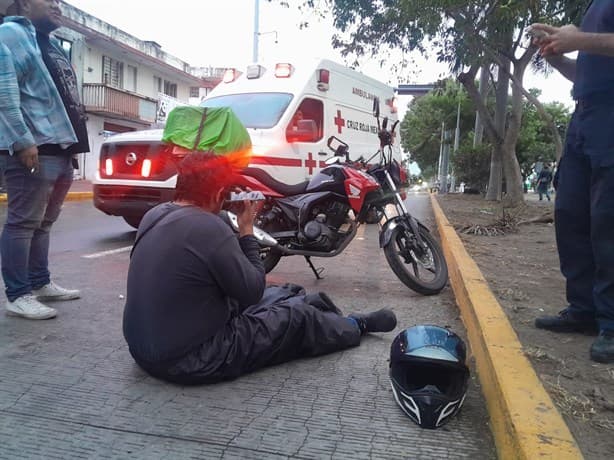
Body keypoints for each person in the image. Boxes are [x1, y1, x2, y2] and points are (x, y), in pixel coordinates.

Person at [122, 153, 397, 384]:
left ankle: (324, 316)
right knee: (295, 317)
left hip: (143, 349)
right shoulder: (209, 227)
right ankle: (354, 325)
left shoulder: (154, 215)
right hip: (193, 357)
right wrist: (246, 229)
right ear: (219, 193)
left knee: (286, 292)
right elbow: (252, 290)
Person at [531, 1, 614, 364]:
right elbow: (587, 73)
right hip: (584, 116)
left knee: (607, 222)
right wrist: (556, 58)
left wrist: (578, 39)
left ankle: (611, 323)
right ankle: (583, 309)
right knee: (571, 215)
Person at [0, 0, 89, 320]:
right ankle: (18, 294)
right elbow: (4, 92)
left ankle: (39, 282)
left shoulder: (51, 44)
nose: (56, 5)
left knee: (45, 222)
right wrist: (22, 140)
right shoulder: (10, 34)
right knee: (23, 222)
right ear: (23, 4)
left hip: (61, 146)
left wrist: (73, 147)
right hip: (34, 145)